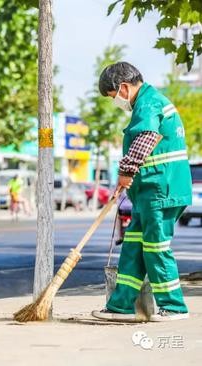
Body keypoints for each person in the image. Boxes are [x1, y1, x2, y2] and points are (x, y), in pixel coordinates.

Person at [92, 62, 192, 322]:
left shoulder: (148, 103)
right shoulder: (149, 102)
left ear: (123, 88)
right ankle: (121, 305)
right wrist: (127, 179)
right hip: (148, 193)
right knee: (134, 247)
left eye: (113, 97)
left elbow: (146, 137)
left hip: (160, 191)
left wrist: (126, 171)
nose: (116, 102)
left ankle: (174, 307)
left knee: (156, 248)